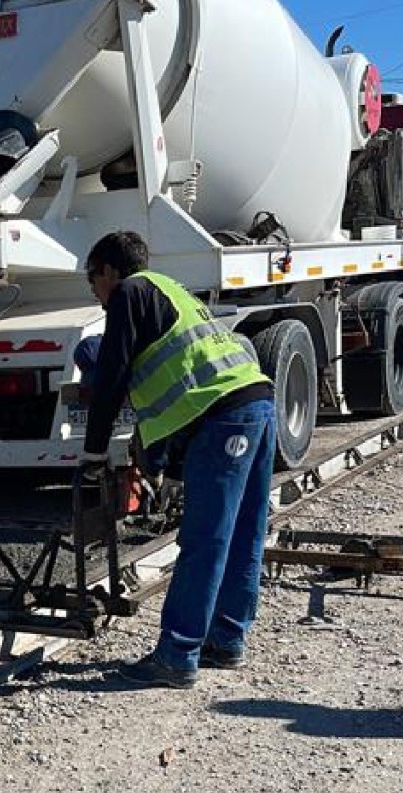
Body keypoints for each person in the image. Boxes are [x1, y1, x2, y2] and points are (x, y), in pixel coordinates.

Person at [79, 231, 275, 689]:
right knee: (244, 531)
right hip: (256, 405)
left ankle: (177, 655)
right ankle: (227, 641)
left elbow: (111, 374)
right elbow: (172, 373)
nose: (98, 297)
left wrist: (93, 452)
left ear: (108, 271)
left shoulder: (130, 291)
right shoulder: (171, 290)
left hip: (224, 417)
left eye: (94, 284)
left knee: (206, 537)